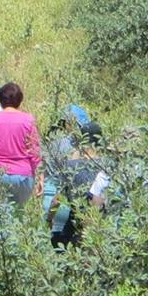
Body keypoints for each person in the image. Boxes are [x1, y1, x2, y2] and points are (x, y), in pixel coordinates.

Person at [42, 105, 112, 248]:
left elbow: (57, 199)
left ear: (81, 140)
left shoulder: (71, 166)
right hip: (102, 223)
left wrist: (49, 218)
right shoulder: (109, 166)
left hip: (74, 224)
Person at [0, 82, 41, 212]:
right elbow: (35, 153)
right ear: (20, 100)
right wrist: (40, 177)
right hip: (22, 175)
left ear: (0, 100)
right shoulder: (28, 120)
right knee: (17, 216)